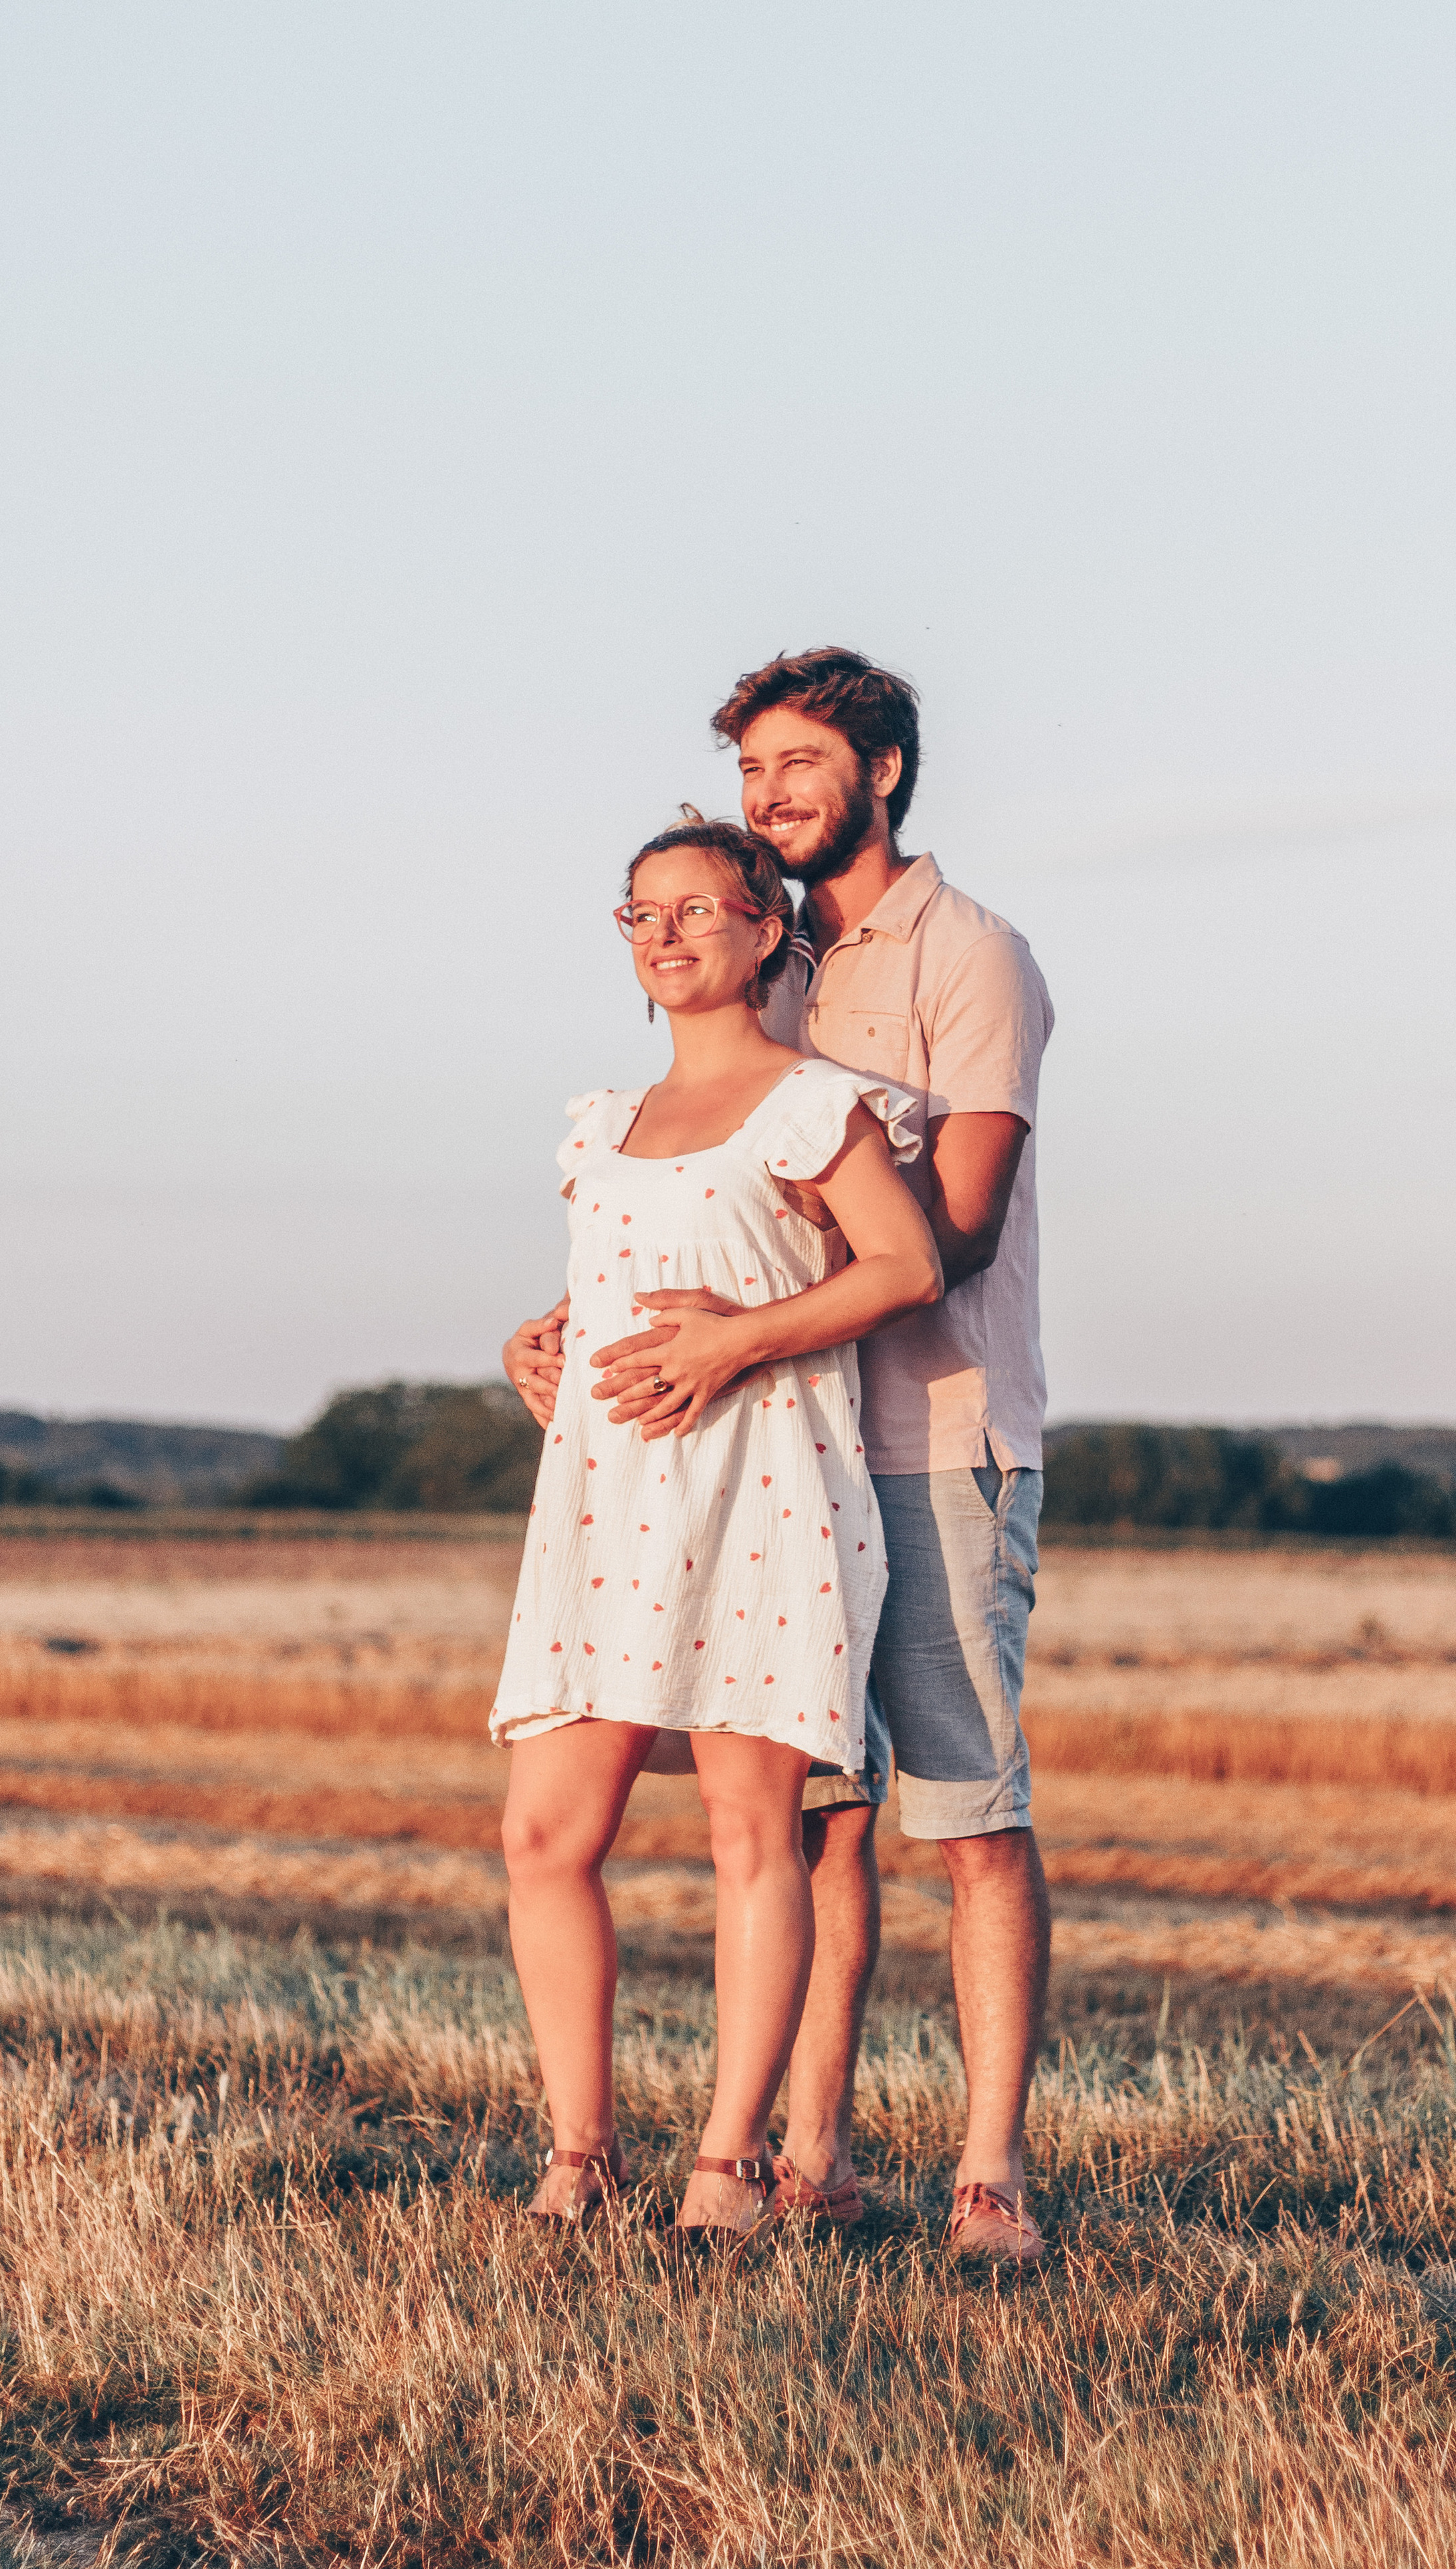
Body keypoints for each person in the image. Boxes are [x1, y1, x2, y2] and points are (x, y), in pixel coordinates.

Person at [510, 650, 1056, 2263]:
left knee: (963, 1812)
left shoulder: (970, 958)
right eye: (753, 773)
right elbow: (694, 1211)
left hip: (929, 1427)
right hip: (758, 1447)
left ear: (883, 770)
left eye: (799, 763)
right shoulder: (776, 959)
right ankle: (796, 2159)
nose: (772, 797)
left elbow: (942, 1240)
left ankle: (987, 2180)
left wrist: (732, 1324)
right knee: (816, 1822)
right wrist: (569, 1326)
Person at [494, 810, 941, 2236]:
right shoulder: (595, 1127)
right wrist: (535, 1351)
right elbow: (606, 1289)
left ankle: (726, 2162)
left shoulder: (812, 1104)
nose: (668, 932)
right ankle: (578, 2150)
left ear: (766, 933)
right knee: (545, 1834)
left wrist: (741, 1338)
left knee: (755, 1834)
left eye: (699, 909)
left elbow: (905, 1264)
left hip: (760, 1482)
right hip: (603, 1497)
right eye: (642, 913)